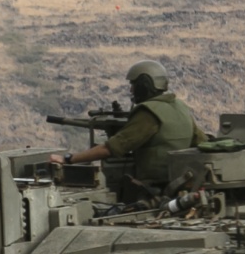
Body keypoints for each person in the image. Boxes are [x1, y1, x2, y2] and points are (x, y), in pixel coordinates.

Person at [49, 61, 207, 182]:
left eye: (134, 85)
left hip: (154, 186)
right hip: (180, 182)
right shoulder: (180, 106)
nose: (131, 90)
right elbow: (202, 141)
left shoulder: (148, 113)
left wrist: (69, 159)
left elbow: (111, 148)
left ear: (145, 85)